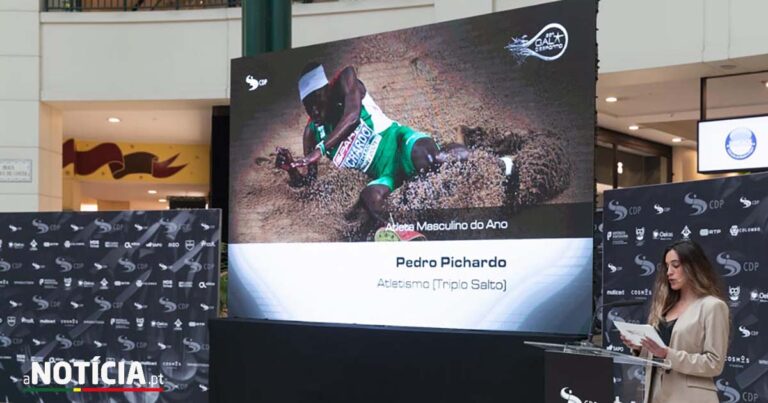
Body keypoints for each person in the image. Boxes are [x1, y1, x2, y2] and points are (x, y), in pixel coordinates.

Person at [276, 62, 516, 239]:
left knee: (432, 159)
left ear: (328, 91)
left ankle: (496, 163)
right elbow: (309, 182)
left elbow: (351, 117)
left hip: (401, 144)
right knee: (369, 197)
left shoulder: (348, 83)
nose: (314, 112)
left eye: (317, 102)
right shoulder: (312, 132)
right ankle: (403, 233)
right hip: (386, 173)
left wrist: (322, 148)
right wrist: (291, 171)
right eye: (308, 107)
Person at [620, 240, 730, 403]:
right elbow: (659, 356)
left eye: (676, 265)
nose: (669, 272)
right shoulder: (665, 307)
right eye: (667, 266)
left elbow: (714, 363)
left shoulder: (712, 306)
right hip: (656, 396)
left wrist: (667, 353)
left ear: (694, 267)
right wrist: (640, 348)